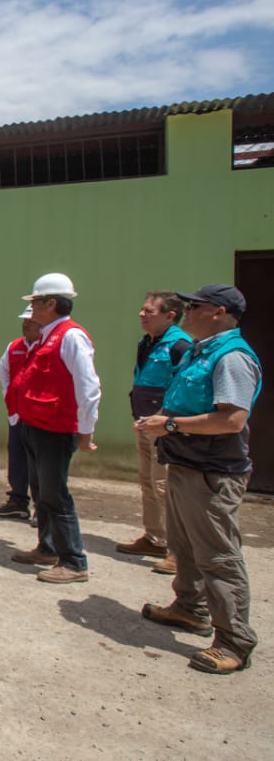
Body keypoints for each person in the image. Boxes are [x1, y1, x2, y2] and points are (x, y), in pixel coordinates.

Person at [138, 284, 262, 675]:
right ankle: (189, 608)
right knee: (185, 545)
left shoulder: (233, 358)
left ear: (218, 312)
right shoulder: (199, 351)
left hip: (213, 473)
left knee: (217, 555)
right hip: (187, 463)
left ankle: (234, 641)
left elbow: (232, 419)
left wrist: (169, 423)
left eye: (195, 306)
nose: (186, 311)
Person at [6, 273, 101, 584]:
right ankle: (47, 547)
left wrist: (86, 431)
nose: (31, 308)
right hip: (35, 427)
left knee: (56, 494)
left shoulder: (71, 336)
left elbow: (89, 387)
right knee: (41, 491)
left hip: (56, 431)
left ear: (51, 303)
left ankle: (74, 561)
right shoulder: (47, 335)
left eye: (34, 302)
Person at [119, 291, 192, 571]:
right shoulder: (147, 342)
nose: (142, 314)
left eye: (149, 311)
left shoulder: (180, 346)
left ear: (169, 315)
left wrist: (163, 420)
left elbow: (181, 389)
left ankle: (178, 550)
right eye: (143, 309)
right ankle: (154, 537)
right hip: (144, 423)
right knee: (148, 482)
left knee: (165, 487)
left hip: (164, 428)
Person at [0, 307, 42, 520]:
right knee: (17, 456)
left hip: (39, 415)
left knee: (40, 462)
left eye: (30, 320)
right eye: (24, 320)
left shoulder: (47, 346)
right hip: (17, 413)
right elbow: (2, 369)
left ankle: (43, 509)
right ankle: (18, 502)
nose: (25, 324)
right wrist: (8, 393)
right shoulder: (14, 346)